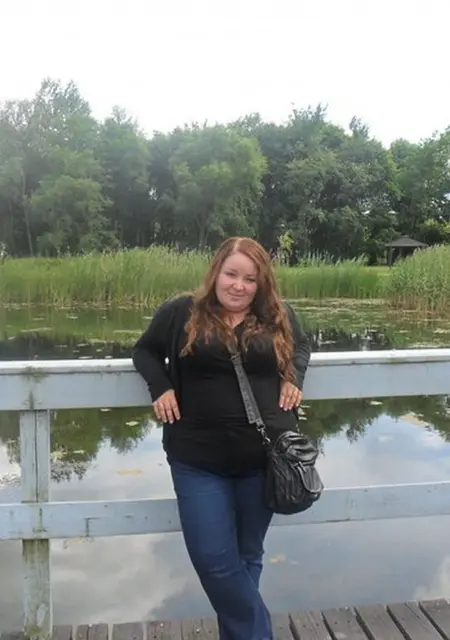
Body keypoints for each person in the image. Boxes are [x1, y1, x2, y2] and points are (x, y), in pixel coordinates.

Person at [132, 237, 311, 640]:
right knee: (213, 560)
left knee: (248, 556)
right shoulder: (182, 312)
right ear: (216, 272)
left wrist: (293, 377)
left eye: (250, 279)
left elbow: (301, 347)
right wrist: (160, 386)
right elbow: (144, 351)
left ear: (261, 283)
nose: (239, 286)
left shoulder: (277, 314)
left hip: (263, 460)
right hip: (197, 460)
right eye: (232, 274)